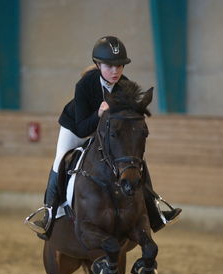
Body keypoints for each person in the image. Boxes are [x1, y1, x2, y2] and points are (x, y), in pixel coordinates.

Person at [25, 36, 181, 240]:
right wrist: (99, 114)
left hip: (107, 133)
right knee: (60, 161)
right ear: (98, 65)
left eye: (120, 66)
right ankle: (49, 213)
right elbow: (82, 129)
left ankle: (155, 212)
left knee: (135, 161)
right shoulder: (85, 85)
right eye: (109, 66)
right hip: (75, 129)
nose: (115, 71)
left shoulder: (125, 86)